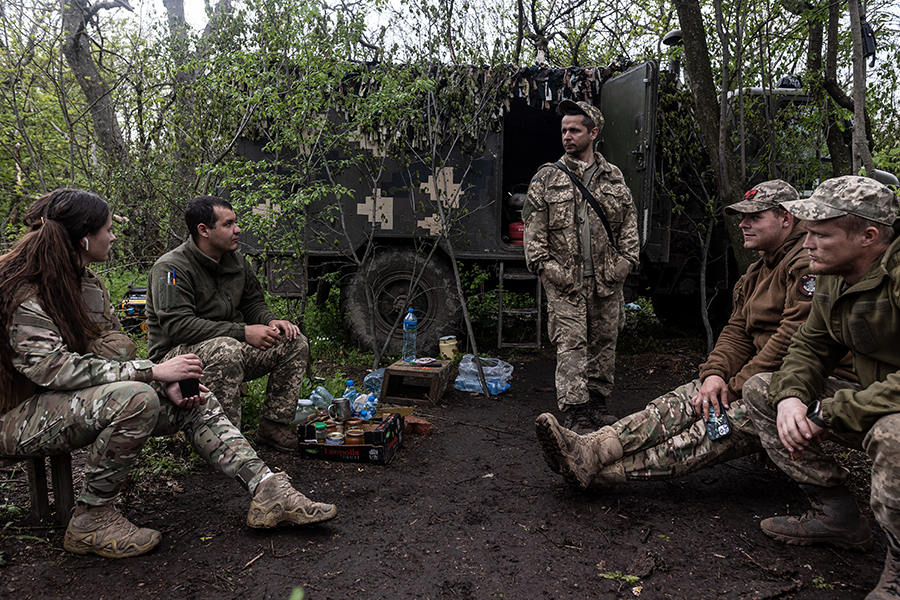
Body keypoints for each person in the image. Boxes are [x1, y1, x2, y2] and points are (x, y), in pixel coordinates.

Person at [0, 189, 336, 559]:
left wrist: (166, 380)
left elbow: (108, 351)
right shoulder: (24, 290)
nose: (113, 237)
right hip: (15, 418)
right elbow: (54, 369)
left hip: (64, 403)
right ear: (83, 236)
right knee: (137, 396)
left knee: (194, 395)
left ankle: (267, 489)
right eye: (108, 230)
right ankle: (91, 521)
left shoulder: (87, 285)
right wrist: (153, 372)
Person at [535, 180, 855, 490]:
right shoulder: (759, 269)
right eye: (742, 217)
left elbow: (792, 339)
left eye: (755, 216)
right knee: (691, 397)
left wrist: (736, 385)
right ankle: (594, 447)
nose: (743, 224)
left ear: (786, 218)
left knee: (712, 430)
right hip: (763, 378)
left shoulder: (806, 262)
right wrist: (715, 375)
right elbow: (737, 331)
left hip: (807, 383)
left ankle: (603, 472)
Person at [741, 176, 900, 599]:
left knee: (893, 435)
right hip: (871, 402)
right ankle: (838, 516)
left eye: (819, 233)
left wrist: (829, 412)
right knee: (762, 389)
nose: (806, 242)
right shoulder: (833, 272)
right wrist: (792, 396)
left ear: (868, 236)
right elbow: (811, 344)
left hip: (888, 413)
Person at [146, 195, 307, 452]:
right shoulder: (171, 268)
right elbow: (178, 326)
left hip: (226, 344)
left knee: (293, 341)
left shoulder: (237, 261)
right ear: (204, 230)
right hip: (174, 360)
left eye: (236, 222)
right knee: (226, 349)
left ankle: (272, 425)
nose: (238, 229)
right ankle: (223, 441)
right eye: (229, 224)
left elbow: (252, 304)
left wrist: (270, 320)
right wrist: (243, 332)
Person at [523, 99, 640, 433]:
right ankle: (576, 413)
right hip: (565, 282)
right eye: (564, 130)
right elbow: (533, 230)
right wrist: (546, 270)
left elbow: (629, 225)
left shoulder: (614, 178)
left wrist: (625, 263)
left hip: (607, 279)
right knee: (571, 345)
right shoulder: (547, 178)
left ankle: (598, 404)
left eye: (575, 130)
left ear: (593, 133)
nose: (567, 136)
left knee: (604, 343)